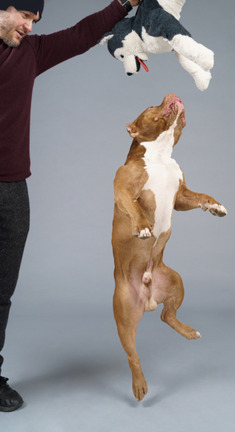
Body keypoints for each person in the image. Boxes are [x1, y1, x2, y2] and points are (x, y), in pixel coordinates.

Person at [0, 0, 139, 412]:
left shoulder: (31, 52)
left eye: (34, 20)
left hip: (12, 190)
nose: (28, 25)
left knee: (1, 293)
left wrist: (125, 4)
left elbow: (82, 35)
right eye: (23, 16)